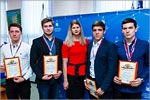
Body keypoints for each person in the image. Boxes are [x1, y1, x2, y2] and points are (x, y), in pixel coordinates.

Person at [113, 18, 149, 99]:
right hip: (119, 88)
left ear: (136, 29)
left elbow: (149, 65)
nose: (127, 31)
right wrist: (114, 76)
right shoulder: (116, 46)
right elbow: (113, 64)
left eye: (130, 28)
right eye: (125, 28)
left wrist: (141, 79)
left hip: (135, 89)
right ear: (122, 30)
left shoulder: (145, 45)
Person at [30, 17, 63, 99]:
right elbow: (32, 62)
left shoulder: (59, 42)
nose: (48, 28)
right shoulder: (36, 42)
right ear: (42, 28)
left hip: (56, 79)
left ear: (53, 27)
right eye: (45, 26)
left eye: (50, 26)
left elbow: (62, 60)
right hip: (43, 80)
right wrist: (41, 76)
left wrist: (60, 71)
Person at [84, 20, 118, 99]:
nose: (97, 32)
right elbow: (88, 64)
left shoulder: (110, 46)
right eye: (94, 30)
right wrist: (86, 79)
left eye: (99, 30)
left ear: (104, 31)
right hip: (91, 83)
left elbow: (111, 69)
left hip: (104, 85)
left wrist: (103, 88)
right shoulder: (89, 45)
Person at [0, 23, 33, 99]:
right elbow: (1, 63)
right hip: (10, 81)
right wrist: (2, 68)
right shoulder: (3, 48)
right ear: (9, 33)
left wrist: (24, 78)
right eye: (12, 31)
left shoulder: (27, 48)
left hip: (24, 81)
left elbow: (31, 66)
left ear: (21, 33)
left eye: (17, 31)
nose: (14, 34)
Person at [62, 20, 88, 99]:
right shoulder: (66, 44)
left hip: (83, 74)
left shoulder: (85, 42)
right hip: (71, 75)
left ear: (80, 29)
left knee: (80, 96)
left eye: (77, 27)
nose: (76, 29)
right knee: (71, 97)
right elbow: (64, 63)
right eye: (73, 28)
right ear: (71, 30)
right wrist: (65, 80)